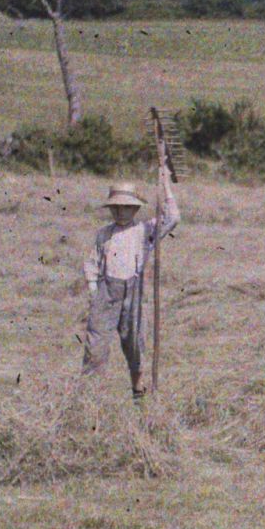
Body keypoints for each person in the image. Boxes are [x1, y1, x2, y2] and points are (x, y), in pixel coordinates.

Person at [82, 160, 179, 398]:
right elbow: (92, 263)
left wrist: (165, 183)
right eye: (115, 207)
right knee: (96, 346)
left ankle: (139, 392)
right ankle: (89, 397)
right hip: (107, 291)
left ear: (135, 209)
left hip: (133, 292)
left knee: (135, 344)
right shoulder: (104, 233)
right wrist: (95, 291)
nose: (120, 212)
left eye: (126, 207)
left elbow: (173, 217)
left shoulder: (144, 231)